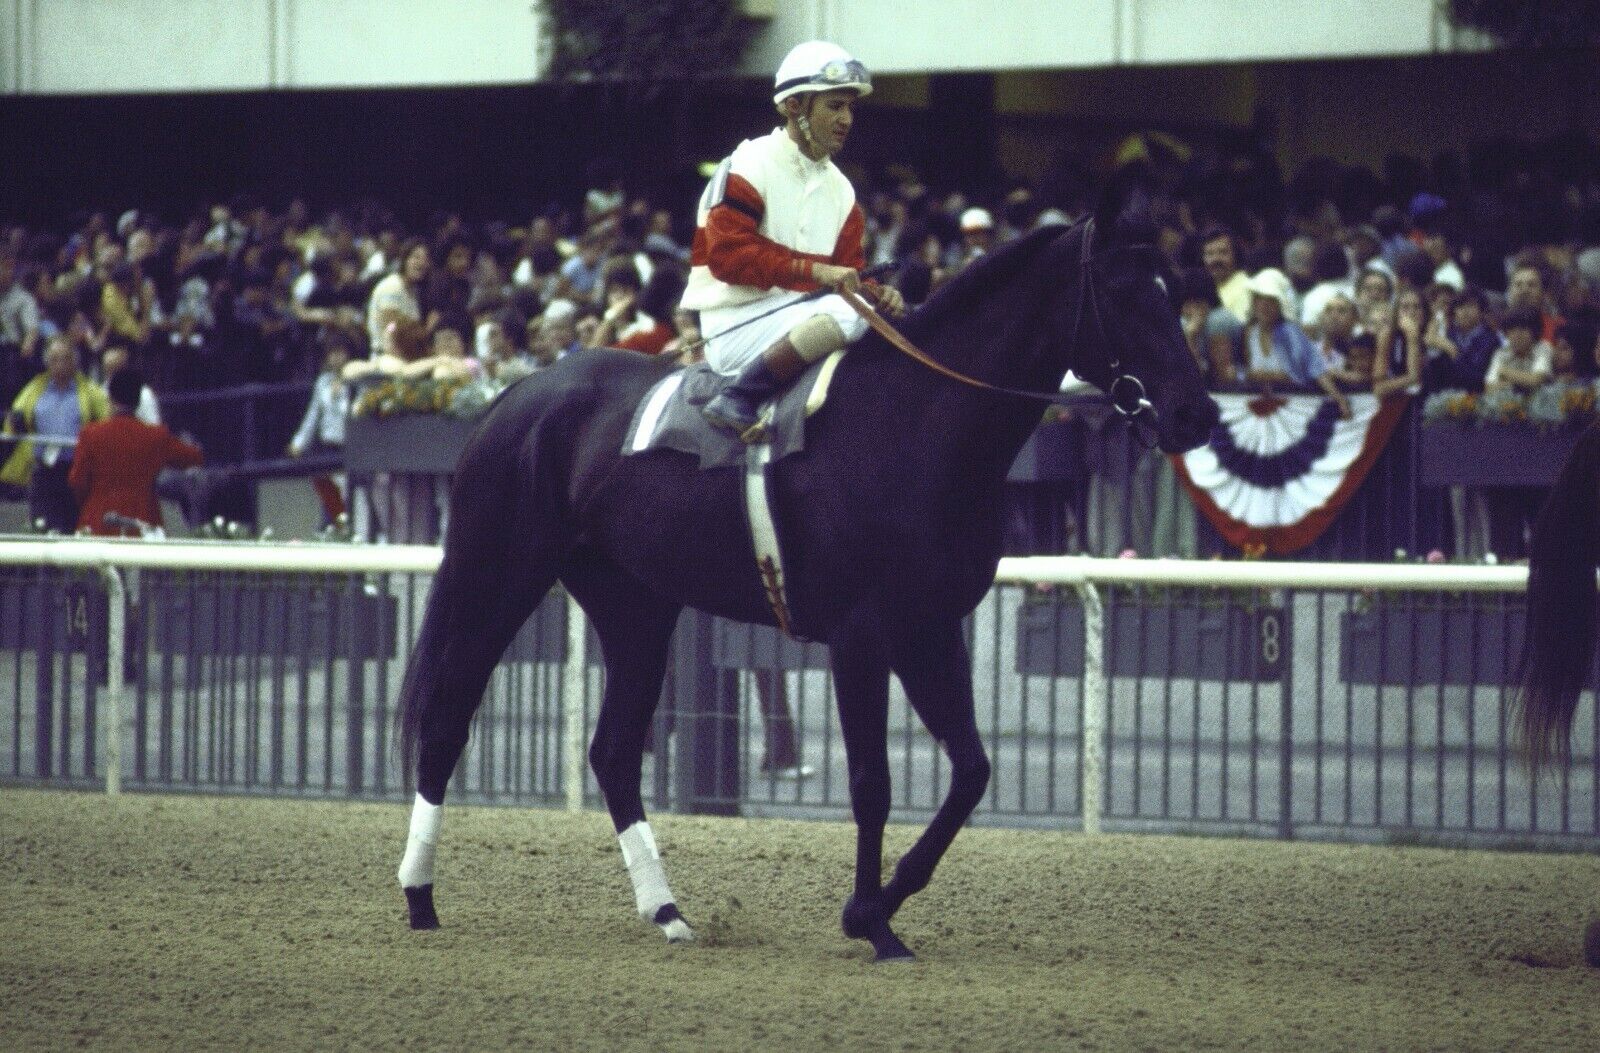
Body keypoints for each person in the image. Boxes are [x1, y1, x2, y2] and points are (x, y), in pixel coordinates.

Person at [686, 40, 906, 440]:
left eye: (850, 108)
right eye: (834, 106)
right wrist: (819, 271)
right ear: (794, 107)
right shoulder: (748, 164)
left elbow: (848, 275)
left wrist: (875, 293)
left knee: (881, 319)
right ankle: (738, 396)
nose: (846, 119)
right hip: (737, 323)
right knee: (848, 315)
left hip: (801, 316)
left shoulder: (843, 191)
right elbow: (728, 257)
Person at [69, 369, 202, 537]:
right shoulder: (156, 436)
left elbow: (77, 480)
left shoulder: (90, 434)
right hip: (144, 520)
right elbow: (194, 457)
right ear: (139, 400)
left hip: (98, 519)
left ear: (110, 398)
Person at [1, 335, 111, 531]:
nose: (60, 364)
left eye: (66, 358)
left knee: (76, 527)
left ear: (75, 361)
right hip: (44, 471)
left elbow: (107, 424)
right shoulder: (35, 388)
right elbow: (14, 421)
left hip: (77, 470)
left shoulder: (89, 391)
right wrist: (15, 421)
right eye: (54, 359)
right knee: (43, 526)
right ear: (47, 362)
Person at [1239, 268, 1350, 418]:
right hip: (1263, 413)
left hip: (1294, 410)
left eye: (1270, 300)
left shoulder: (1290, 332)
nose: (1264, 305)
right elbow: (1248, 373)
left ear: (1280, 305)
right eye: (1259, 299)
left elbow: (1314, 369)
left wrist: (1339, 400)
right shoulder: (1250, 332)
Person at [288, 341, 353, 526]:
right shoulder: (323, 381)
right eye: (332, 353)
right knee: (327, 492)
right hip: (327, 446)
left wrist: (341, 396)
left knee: (348, 494)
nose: (336, 358)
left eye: (340, 352)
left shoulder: (354, 382)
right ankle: (328, 527)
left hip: (347, 446)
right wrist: (298, 442)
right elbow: (313, 414)